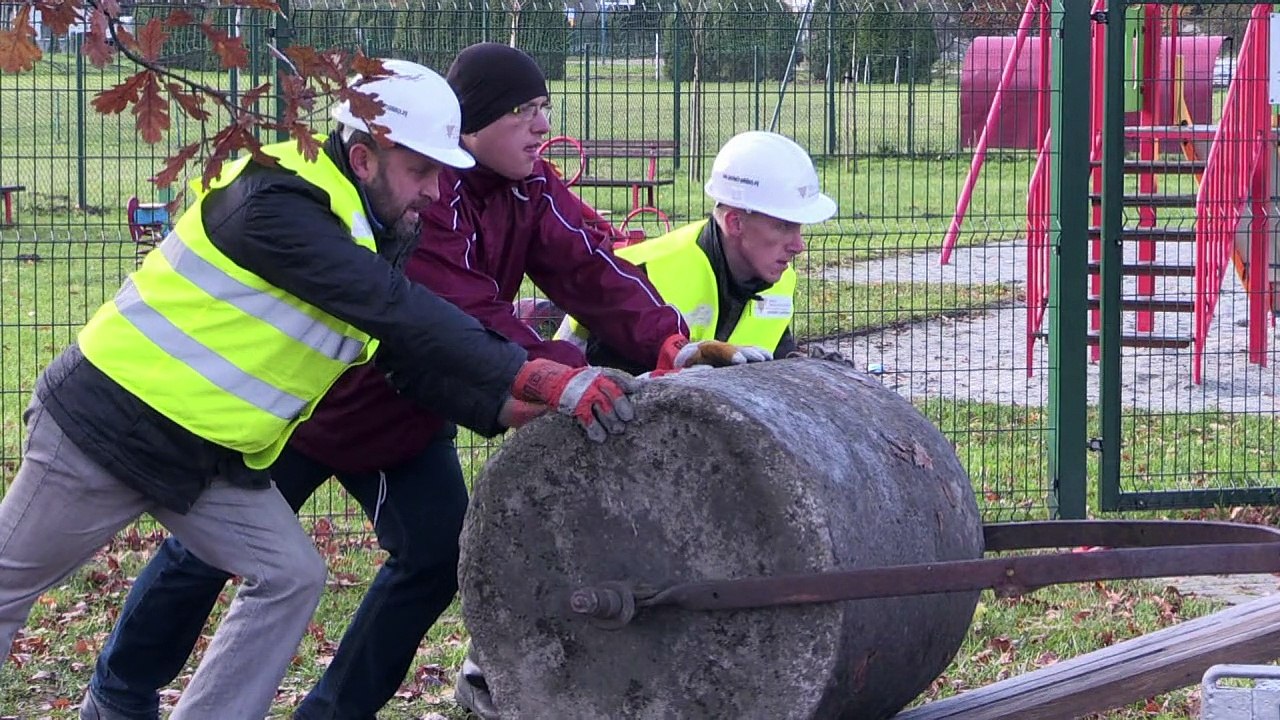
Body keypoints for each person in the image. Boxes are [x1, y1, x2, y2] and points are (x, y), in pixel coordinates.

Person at [79, 45, 763, 720]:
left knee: (435, 554)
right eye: (522, 111)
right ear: (472, 123)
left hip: (412, 410)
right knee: (207, 551)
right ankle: (119, 692)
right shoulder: (427, 192)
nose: (541, 126)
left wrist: (671, 341)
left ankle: (334, 713)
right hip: (316, 406)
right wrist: (560, 374)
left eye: (545, 108)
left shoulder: (531, 186)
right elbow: (466, 308)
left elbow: (590, 266)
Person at [557, 130, 838, 369]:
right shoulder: (641, 275)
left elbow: (775, 367)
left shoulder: (780, 283)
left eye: (799, 227)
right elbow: (603, 389)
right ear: (735, 222)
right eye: (783, 226)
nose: (798, 245)